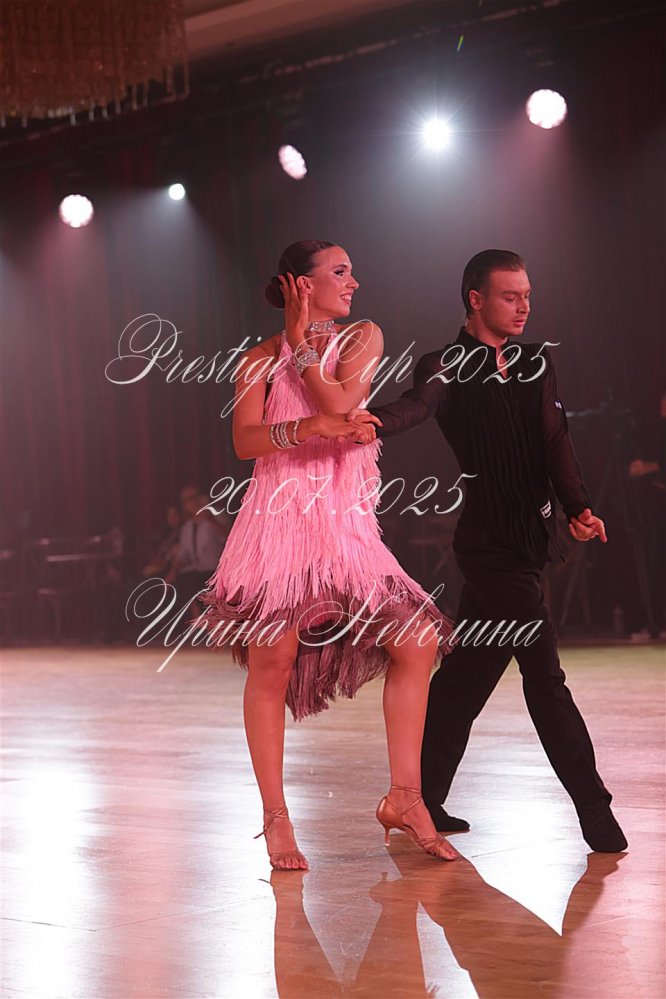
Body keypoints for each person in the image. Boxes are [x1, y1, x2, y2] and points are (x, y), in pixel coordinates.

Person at [201, 240, 458, 870]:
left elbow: (340, 403)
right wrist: (308, 427)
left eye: (351, 271)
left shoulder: (362, 337)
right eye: (339, 272)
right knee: (273, 662)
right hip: (279, 522)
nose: (353, 282)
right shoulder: (256, 359)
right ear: (301, 284)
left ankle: (405, 797)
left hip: (345, 527)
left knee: (417, 638)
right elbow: (245, 441)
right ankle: (275, 816)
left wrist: (303, 346)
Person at [361, 249, 628, 853]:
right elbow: (417, 405)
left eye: (527, 295)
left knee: (466, 676)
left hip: (530, 539)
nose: (523, 306)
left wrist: (578, 506)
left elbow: (555, 440)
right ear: (475, 299)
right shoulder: (445, 364)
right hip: (487, 548)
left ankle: (422, 797)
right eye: (510, 296)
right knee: (545, 677)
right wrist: (372, 420)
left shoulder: (535, 362)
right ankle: (594, 809)